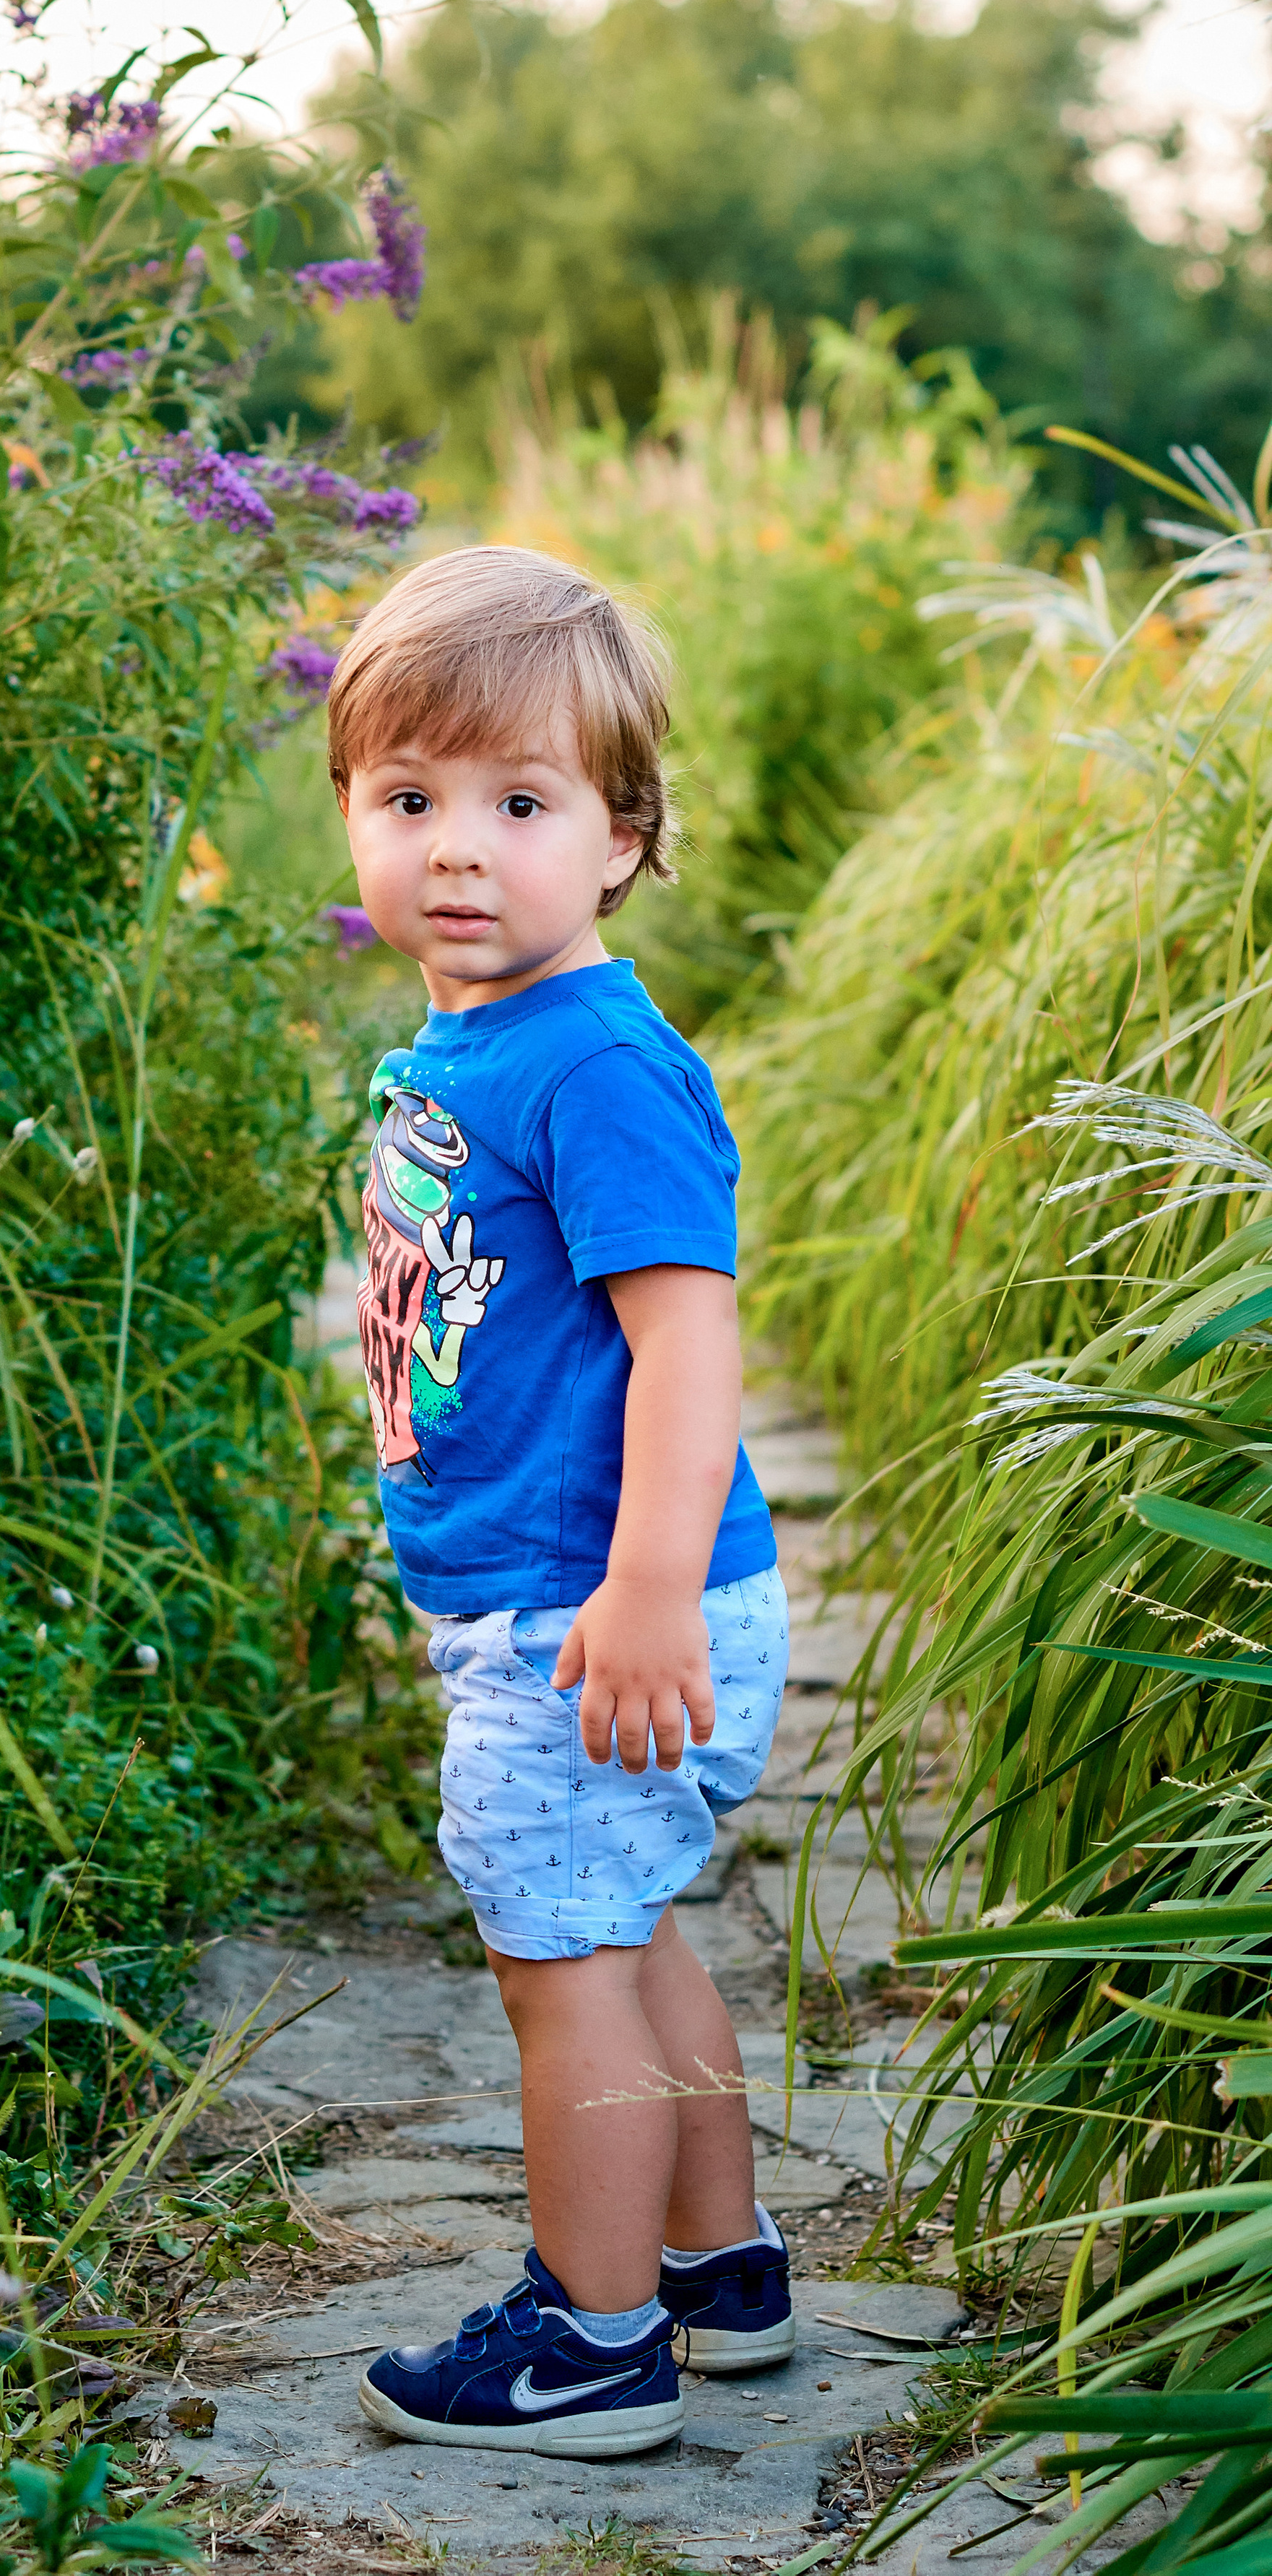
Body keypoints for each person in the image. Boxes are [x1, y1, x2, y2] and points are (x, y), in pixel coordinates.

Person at [329, 545, 792, 2460]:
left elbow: (689, 1340)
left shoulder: (599, 1059)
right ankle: (716, 2272)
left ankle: (593, 2343)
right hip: (544, 1600)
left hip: (586, 1613)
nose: (458, 847)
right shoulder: (478, 1038)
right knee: (628, 1929)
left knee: (558, 1973)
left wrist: (648, 1587)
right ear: (351, 815)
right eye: (409, 798)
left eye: (520, 804)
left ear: (620, 837)